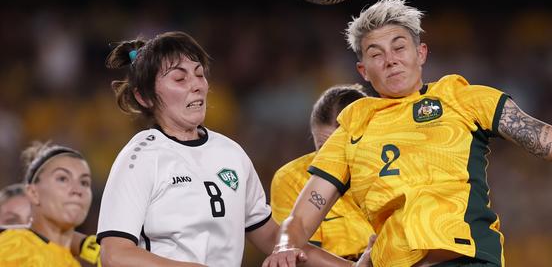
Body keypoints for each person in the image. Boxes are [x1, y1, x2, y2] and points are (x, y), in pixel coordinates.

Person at [262, 0, 552, 267]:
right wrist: (284, 246)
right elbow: (306, 208)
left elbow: (543, 137)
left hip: (466, 258)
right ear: (363, 71)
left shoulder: (461, 97)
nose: (390, 59)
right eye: (376, 54)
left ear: (421, 53)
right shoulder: (352, 124)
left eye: (399, 46)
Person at [98, 31, 372, 267]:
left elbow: (275, 240)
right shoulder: (140, 158)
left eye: (199, 74)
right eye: (180, 79)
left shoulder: (230, 153)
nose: (196, 85)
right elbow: (115, 254)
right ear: (144, 96)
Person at [271, 84, 375, 260]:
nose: (332, 159)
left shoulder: (394, 168)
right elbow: (300, 256)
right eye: (323, 148)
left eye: (342, 148)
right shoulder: (292, 178)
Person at [0, 141, 97, 266]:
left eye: (84, 182)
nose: (77, 190)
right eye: (62, 179)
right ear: (33, 193)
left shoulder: (72, 262)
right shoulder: (13, 246)